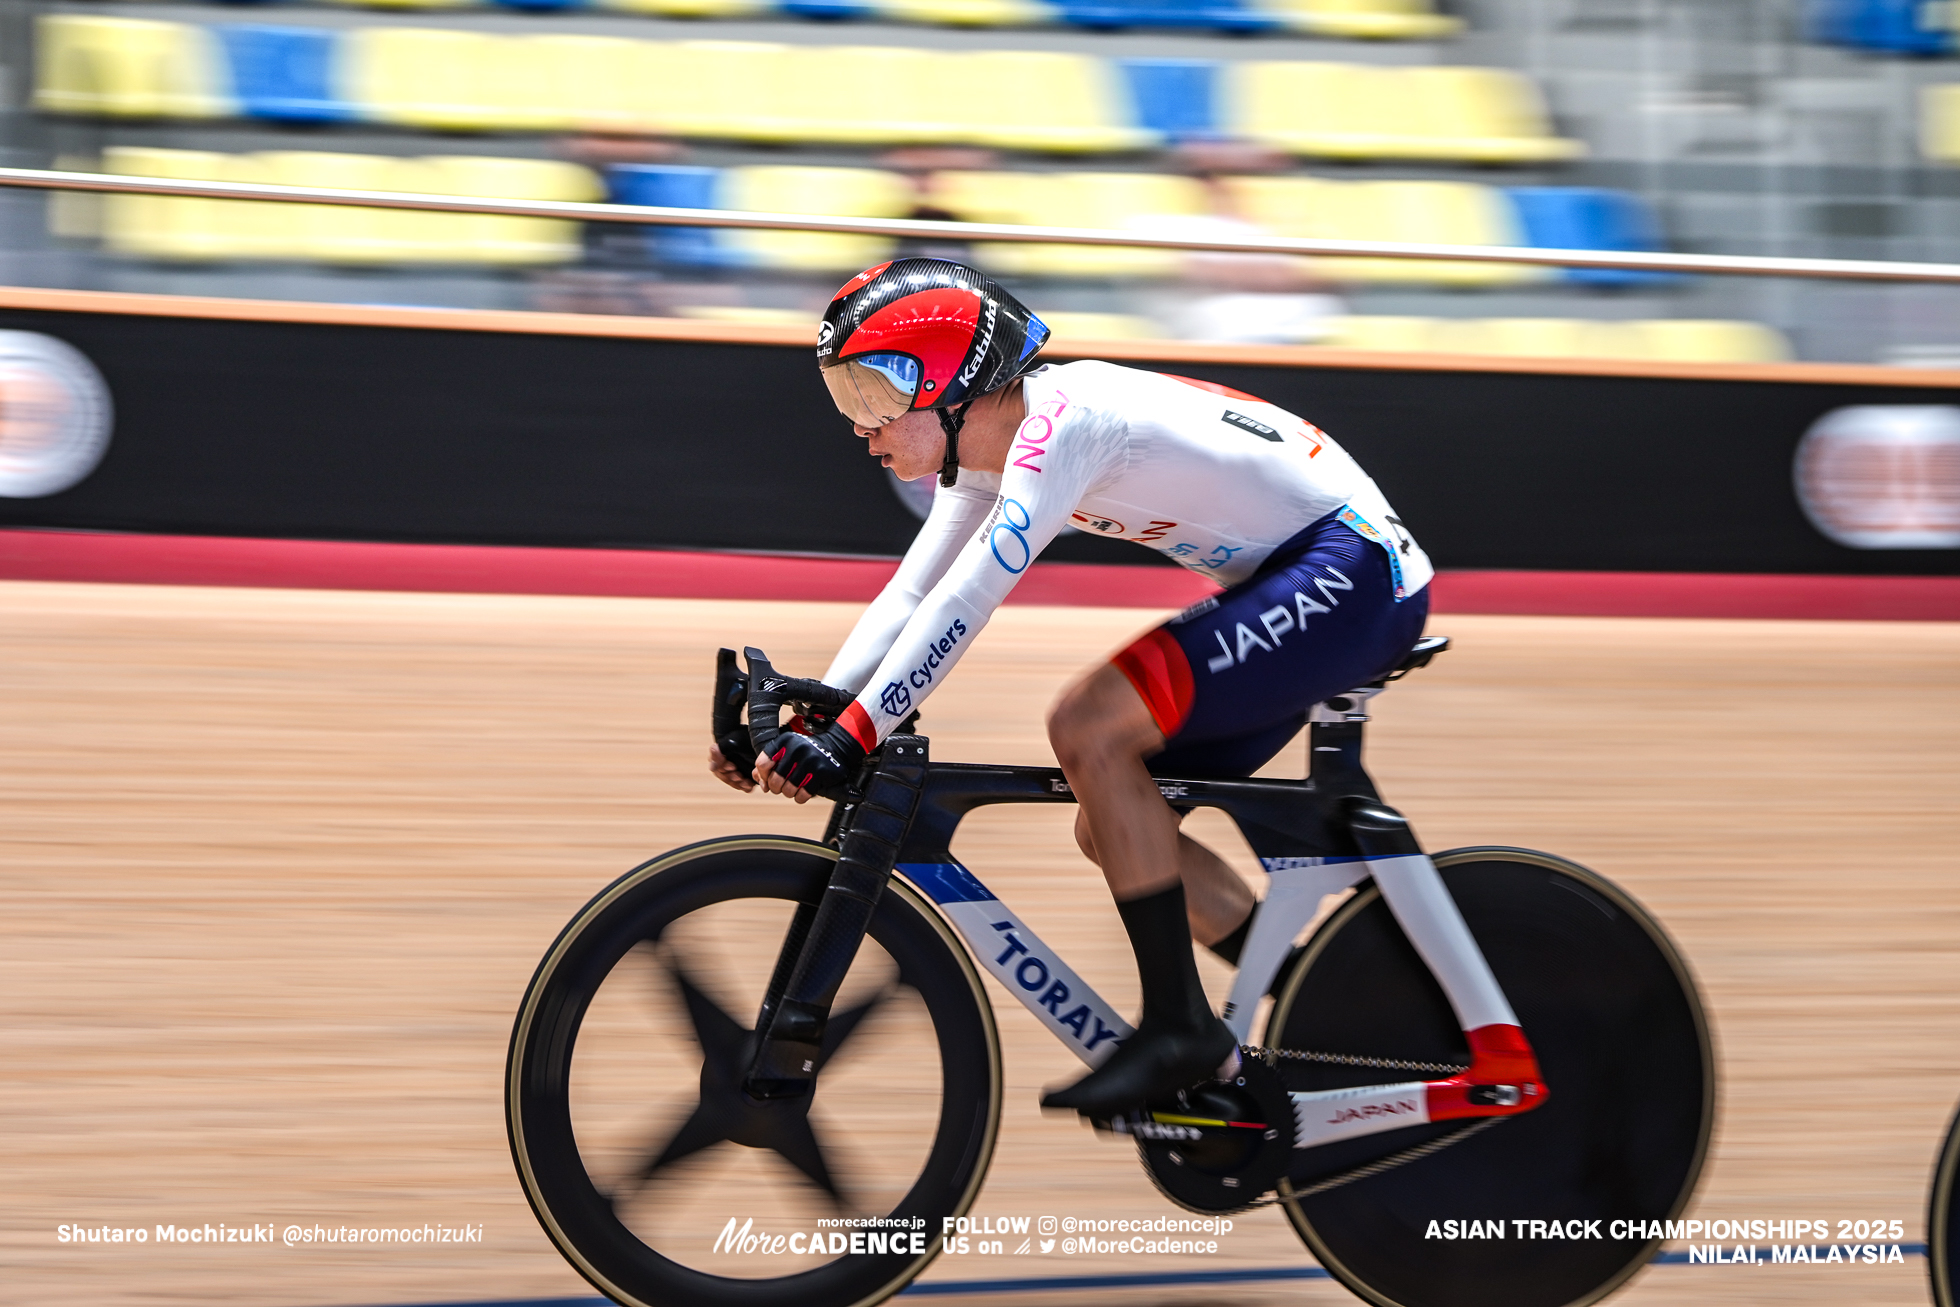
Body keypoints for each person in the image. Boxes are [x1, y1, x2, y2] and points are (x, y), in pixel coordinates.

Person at [707, 257, 1433, 1120]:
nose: (860, 424)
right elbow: (914, 592)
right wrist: (825, 705)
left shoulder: (1063, 424)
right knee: (1118, 822)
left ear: (946, 379)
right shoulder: (984, 454)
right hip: (1308, 570)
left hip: (1354, 570)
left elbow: (972, 596)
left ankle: (1181, 1029)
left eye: (873, 394)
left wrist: (854, 732)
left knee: (1089, 726)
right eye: (845, 398)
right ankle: (1323, 997)